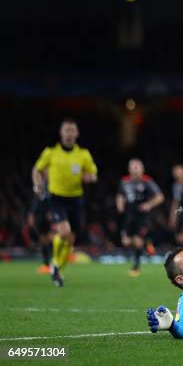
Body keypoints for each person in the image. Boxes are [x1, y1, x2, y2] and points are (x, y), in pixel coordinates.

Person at [32, 118, 98, 286]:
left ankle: (57, 269)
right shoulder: (51, 152)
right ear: (61, 133)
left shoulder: (83, 154)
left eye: (72, 130)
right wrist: (38, 184)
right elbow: (37, 169)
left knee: (70, 240)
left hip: (76, 199)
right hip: (57, 198)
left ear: (77, 134)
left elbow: (93, 174)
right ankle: (55, 261)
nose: (69, 133)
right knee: (63, 232)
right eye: (66, 130)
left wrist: (89, 177)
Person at [116, 159, 164, 276]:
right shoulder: (124, 181)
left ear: (142, 170)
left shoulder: (147, 181)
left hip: (142, 217)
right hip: (129, 215)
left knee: (137, 241)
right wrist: (120, 204)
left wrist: (149, 204)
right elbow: (120, 194)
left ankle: (136, 267)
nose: (136, 170)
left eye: (138, 167)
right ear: (129, 169)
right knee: (126, 242)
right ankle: (147, 242)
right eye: (133, 167)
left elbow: (160, 197)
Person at [25, 180, 53, 274]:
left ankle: (51, 263)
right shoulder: (38, 198)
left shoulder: (48, 198)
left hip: (48, 222)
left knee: (48, 240)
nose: (37, 190)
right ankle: (47, 264)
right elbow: (32, 211)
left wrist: (52, 217)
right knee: (44, 241)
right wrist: (31, 219)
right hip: (41, 222)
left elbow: (51, 211)